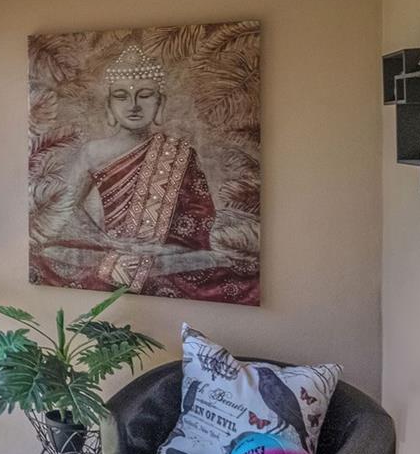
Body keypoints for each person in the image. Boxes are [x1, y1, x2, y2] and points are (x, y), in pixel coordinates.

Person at [33, 45, 258, 303]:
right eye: (121, 96)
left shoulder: (181, 153)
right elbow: (65, 210)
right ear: (109, 105)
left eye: (145, 95)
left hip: (164, 254)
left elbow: (197, 225)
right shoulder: (92, 152)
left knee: (221, 265)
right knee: (48, 256)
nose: (133, 105)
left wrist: (157, 249)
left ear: (159, 102)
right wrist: (106, 243)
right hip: (106, 247)